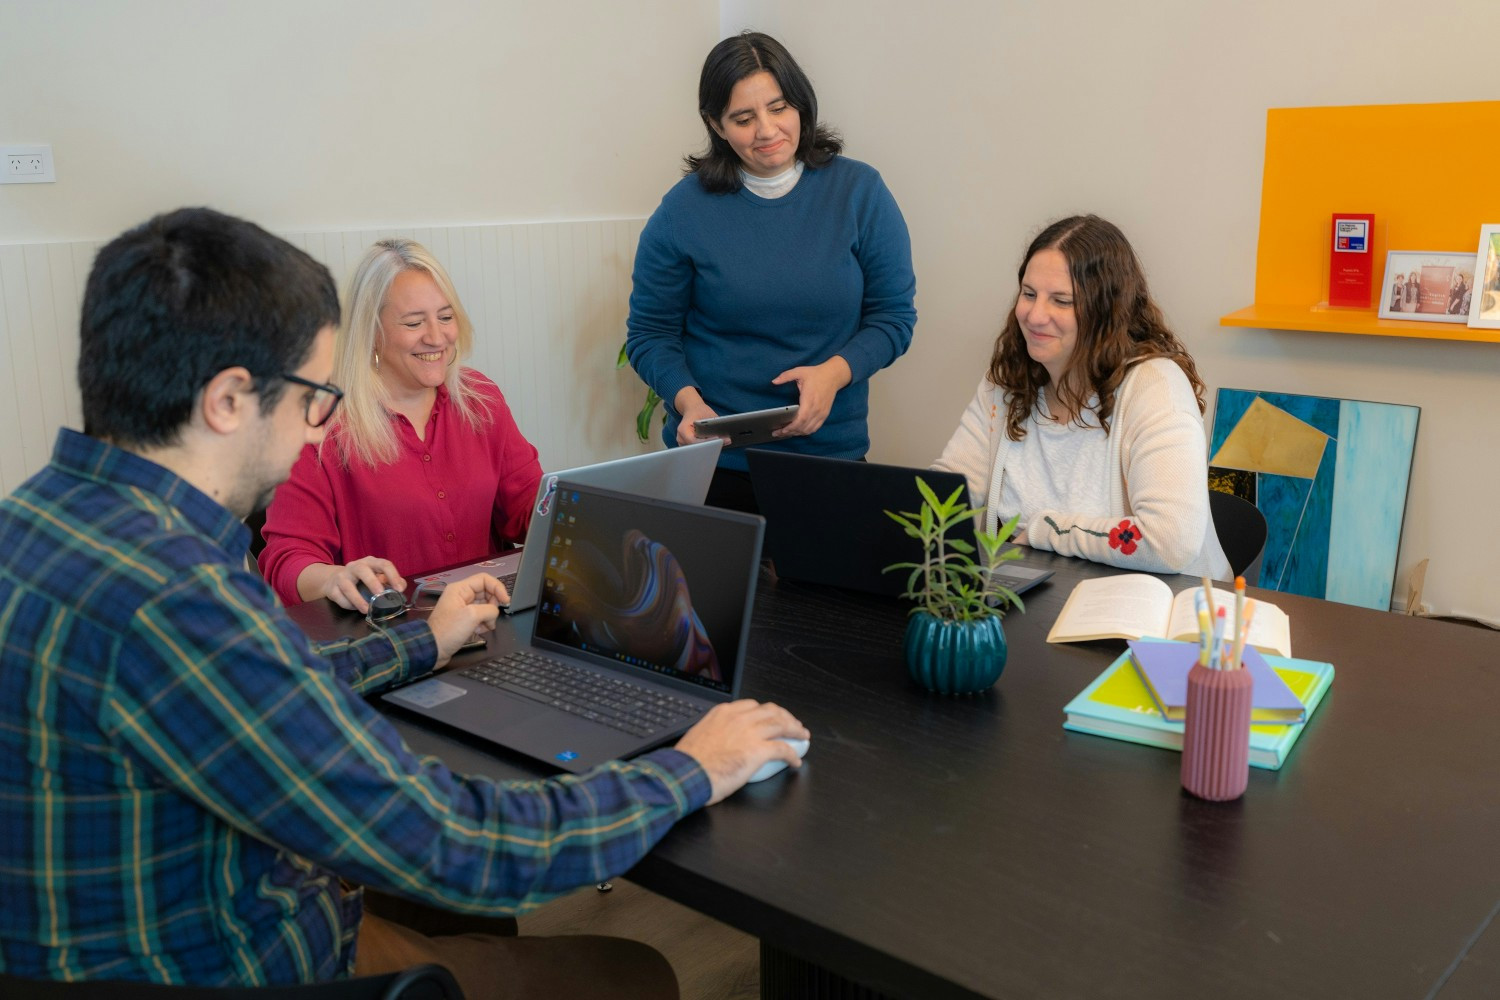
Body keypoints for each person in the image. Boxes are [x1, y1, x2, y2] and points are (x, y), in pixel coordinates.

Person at [0, 208, 808, 997]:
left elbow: (271, 682)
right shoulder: (178, 598)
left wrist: (423, 643)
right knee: (640, 974)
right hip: (247, 957)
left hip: (113, 939)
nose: (320, 427)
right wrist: (690, 767)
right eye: (313, 396)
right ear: (227, 401)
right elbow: (461, 846)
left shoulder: (35, 523)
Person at [625, 30, 917, 513]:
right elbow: (650, 335)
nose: (766, 130)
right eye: (743, 118)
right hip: (713, 463)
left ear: (801, 105)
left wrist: (833, 375)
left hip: (828, 459)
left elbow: (892, 319)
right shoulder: (683, 211)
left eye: (779, 108)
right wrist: (686, 402)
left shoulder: (860, 192)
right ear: (716, 125)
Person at [933, 215, 1231, 578]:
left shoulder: (1156, 387)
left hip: (1157, 613)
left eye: (1061, 300)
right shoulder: (1008, 380)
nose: (1035, 315)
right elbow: (949, 493)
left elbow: (1170, 540)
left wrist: (1048, 531)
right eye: (1029, 294)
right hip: (1042, 602)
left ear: (1105, 312)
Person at [259, 238, 543, 609]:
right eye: (414, 322)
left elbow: (529, 510)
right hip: (390, 636)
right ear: (372, 331)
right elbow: (287, 561)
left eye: (445, 317)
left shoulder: (480, 398)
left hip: (486, 617)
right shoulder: (321, 424)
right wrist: (333, 578)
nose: (437, 337)